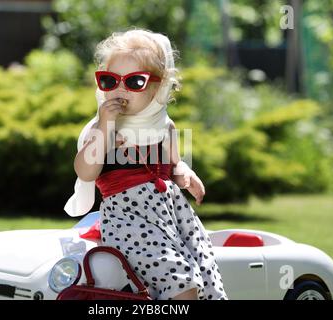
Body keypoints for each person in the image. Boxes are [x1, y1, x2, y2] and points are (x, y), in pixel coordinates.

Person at [65, 27, 227, 300]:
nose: (119, 89)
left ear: (158, 87)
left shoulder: (165, 126)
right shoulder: (102, 129)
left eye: (134, 82)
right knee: (181, 281)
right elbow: (84, 171)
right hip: (128, 219)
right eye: (109, 80)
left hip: (173, 217)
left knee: (205, 274)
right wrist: (105, 129)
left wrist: (185, 172)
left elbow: (175, 165)